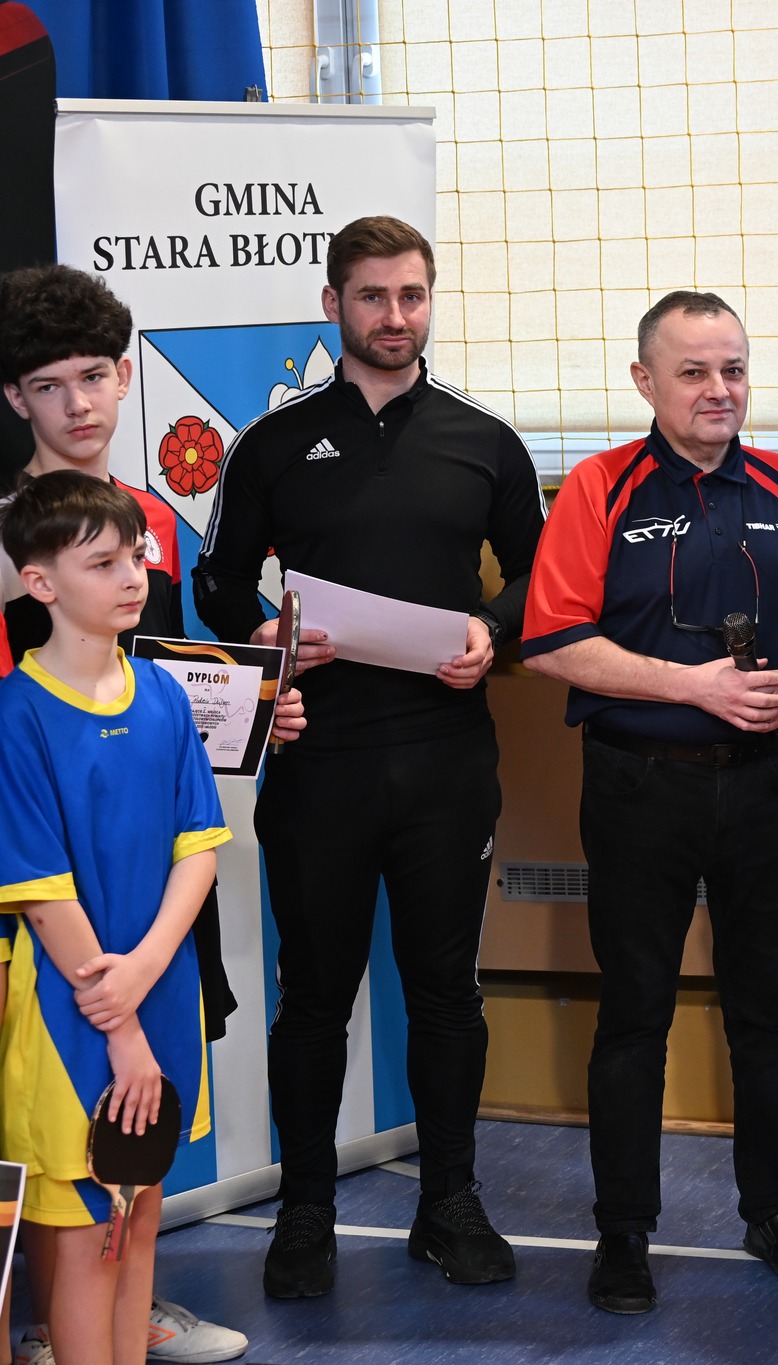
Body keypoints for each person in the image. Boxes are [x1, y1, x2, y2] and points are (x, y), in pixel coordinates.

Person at [193, 215, 547, 1299]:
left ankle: (450, 1203)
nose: (394, 317)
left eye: (411, 296)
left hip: (447, 762)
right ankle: (305, 1215)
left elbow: (542, 583)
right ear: (333, 304)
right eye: (372, 297)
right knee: (315, 996)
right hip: (321, 759)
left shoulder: (484, 440)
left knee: (447, 992)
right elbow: (216, 586)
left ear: (429, 301)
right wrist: (259, 643)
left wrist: (491, 631)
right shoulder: (272, 443)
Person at [521, 289, 778, 1315]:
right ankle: (622, 1234)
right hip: (639, 789)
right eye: (694, 372)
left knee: (767, 1012)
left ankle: (774, 1211)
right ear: (645, 383)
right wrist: (695, 686)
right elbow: (550, 642)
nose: (719, 391)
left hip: (767, 787)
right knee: (634, 1015)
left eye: (734, 370)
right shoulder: (598, 487)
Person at [0, 263, 295, 1364]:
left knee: (138, 1128)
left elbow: (160, 683)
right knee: (52, 1133)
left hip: (147, 866)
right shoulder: (17, 543)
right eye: (49, 386)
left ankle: (125, 1311)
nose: (78, 404)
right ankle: (45, 1320)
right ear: (16, 401)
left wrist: (252, 709)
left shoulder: (149, 532)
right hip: (39, 875)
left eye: (95, 378)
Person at [0, 472, 232, 1365]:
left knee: (136, 1228)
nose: (133, 574)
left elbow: (198, 849)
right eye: (103, 562)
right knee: (84, 1242)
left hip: (158, 995)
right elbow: (44, 893)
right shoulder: (18, 715)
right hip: (75, 1018)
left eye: (136, 554)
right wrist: (120, 1014)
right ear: (41, 582)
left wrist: (147, 973)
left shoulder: (167, 694)